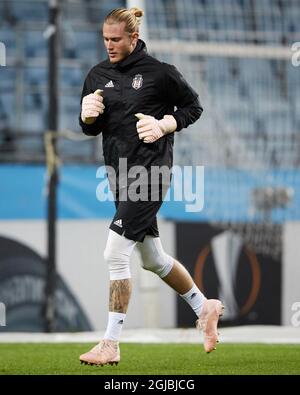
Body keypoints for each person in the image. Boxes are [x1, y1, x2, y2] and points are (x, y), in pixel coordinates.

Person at [79, 7, 224, 366]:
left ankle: (111, 343)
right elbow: (91, 129)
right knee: (152, 258)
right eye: (105, 39)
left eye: (116, 39)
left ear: (133, 37)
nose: (109, 45)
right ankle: (203, 306)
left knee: (114, 253)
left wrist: (165, 124)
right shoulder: (97, 74)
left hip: (150, 174)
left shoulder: (161, 74)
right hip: (118, 175)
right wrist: (87, 117)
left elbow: (194, 107)